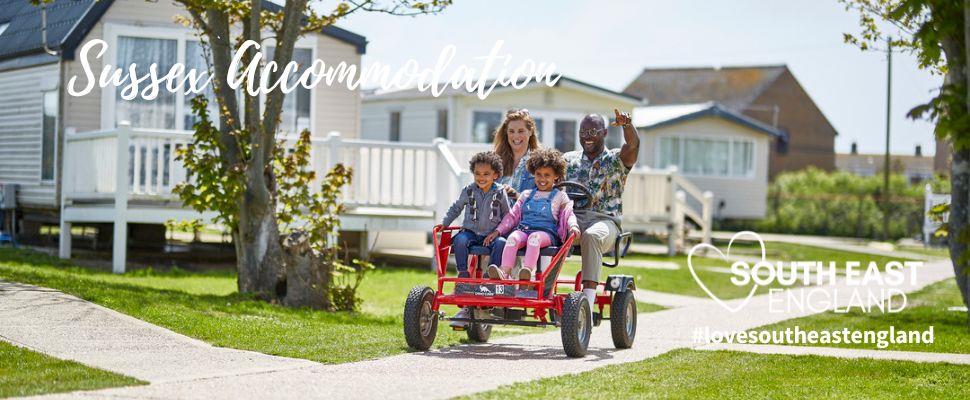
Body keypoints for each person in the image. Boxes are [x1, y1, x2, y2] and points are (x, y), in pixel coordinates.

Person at [564, 109, 639, 311]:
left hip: (604, 221)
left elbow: (632, 146)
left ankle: (586, 304)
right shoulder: (568, 160)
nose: (587, 137)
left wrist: (627, 125)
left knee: (592, 236)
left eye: (592, 132)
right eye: (583, 132)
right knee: (540, 231)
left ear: (605, 133)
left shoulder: (616, 160)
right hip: (571, 218)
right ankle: (537, 289)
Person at [484, 148, 580, 281]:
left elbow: (569, 214)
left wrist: (573, 226)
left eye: (547, 175)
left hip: (546, 234)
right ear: (533, 174)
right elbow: (512, 216)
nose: (542, 179)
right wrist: (498, 231)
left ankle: (527, 272)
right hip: (525, 230)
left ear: (556, 176)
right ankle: (504, 272)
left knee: (534, 238)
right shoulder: (526, 195)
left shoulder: (560, 196)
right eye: (538, 174)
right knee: (513, 238)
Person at [440, 151, 511, 328]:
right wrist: (444, 224)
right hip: (471, 232)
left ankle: (490, 278)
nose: (481, 178)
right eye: (478, 174)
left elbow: (508, 216)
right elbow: (456, 208)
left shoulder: (500, 192)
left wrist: (498, 233)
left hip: (492, 234)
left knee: (501, 244)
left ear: (495, 175)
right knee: (460, 240)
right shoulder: (469, 190)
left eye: (486, 174)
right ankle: (463, 274)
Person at [493, 109, 541, 197]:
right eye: (511, 131)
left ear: (530, 132)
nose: (516, 136)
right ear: (506, 133)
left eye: (521, 131)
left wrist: (517, 195)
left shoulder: (540, 162)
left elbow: (546, 198)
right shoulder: (495, 161)